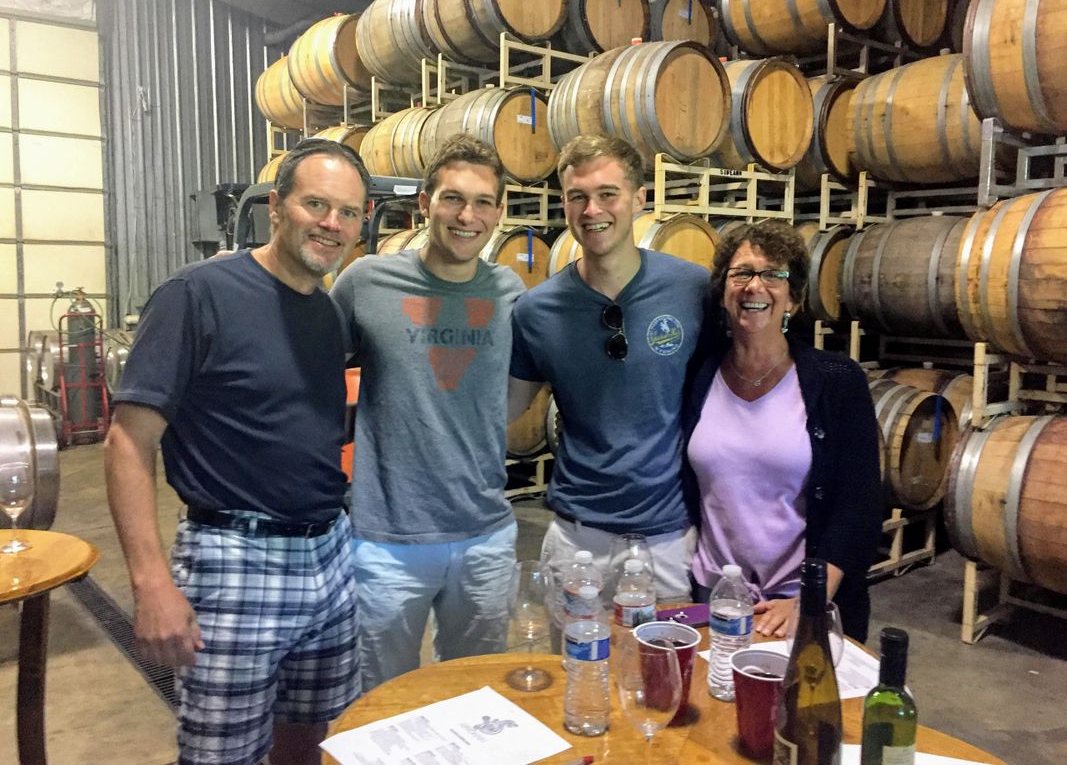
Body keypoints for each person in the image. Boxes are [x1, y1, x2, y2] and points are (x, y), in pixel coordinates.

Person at [104, 137, 369, 765]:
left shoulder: (328, 315)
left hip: (329, 553)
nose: (331, 224)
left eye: (348, 212)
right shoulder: (197, 294)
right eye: (316, 204)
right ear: (276, 206)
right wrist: (151, 583)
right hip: (234, 559)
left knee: (313, 741)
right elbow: (127, 442)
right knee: (222, 754)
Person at [329, 134, 525, 692]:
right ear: (424, 203)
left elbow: (520, 390)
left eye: (483, 202)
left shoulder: (510, 292)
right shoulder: (366, 283)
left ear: (499, 212)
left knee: (476, 697)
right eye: (452, 199)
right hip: (386, 540)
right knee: (379, 699)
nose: (467, 216)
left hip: (484, 534)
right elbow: (310, 378)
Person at [508, 134, 709, 601]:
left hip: (669, 537)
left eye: (607, 194)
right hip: (578, 537)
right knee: (575, 651)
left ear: (639, 199)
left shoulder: (692, 289)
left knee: (671, 653)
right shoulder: (537, 311)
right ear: (564, 204)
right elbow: (503, 410)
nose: (592, 210)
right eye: (577, 196)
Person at [682, 221, 883, 642]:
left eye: (773, 274)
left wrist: (811, 598)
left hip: (797, 602)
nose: (755, 286)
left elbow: (859, 505)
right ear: (723, 290)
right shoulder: (699, 373)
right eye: (741, 273)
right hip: (712, 595)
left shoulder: (836, 380)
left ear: (795, 297)